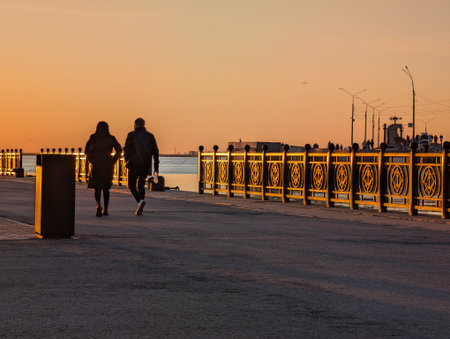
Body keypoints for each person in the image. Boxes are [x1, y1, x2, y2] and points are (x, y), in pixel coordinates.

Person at [85, 121, 122, 217]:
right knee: (106, 188)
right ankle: (106, 209)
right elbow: (119, 149)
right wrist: (113, 160)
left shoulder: (93, 137)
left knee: (97, 188)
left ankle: (98, 204)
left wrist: (91, 159)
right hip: (107, 164)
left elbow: (86, 150)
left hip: (96, 163)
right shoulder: (111, 138)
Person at [124, 118, 159, 216]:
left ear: (135, 124)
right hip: (145, 165)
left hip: (134, 164)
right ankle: (140, 206)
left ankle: (140, 202)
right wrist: (156, 169)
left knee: (131, 185)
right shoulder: (150, 136)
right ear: (143, 124)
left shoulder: (131, 135)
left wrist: (126, 160)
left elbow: (127, 149)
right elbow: (156, 152)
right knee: (141, 184)